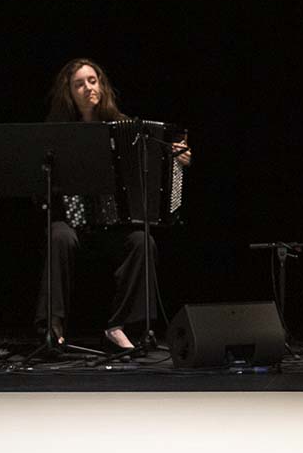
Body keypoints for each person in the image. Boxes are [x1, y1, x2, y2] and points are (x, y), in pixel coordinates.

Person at [37, 57, 192, 351]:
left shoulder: (125, 127)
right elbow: (42, 182)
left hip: (113, 226)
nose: (87, 88)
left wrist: (177, 157)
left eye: (92, 81)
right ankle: (52, 325)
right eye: (79, 84)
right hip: (74, 225)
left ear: (101, 85)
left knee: (141, 241)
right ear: (68, 92)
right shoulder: (57, 130)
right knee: (58, 234)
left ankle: (119, 326)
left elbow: (157, 162)